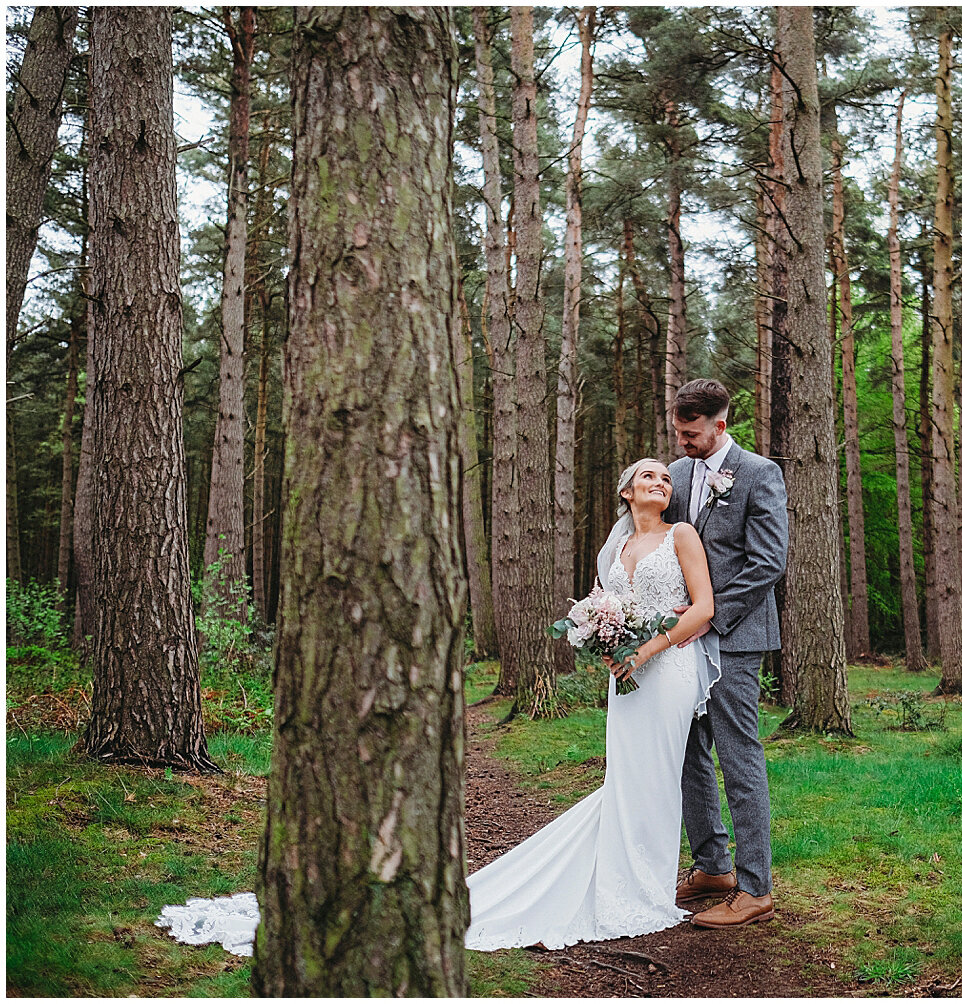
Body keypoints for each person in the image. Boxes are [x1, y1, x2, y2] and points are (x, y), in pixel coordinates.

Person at [157, 458, 721, 954]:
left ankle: (644, 888)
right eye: (649, 475)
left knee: (656, 774)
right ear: (626, 491)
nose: (661, 482)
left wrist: (647, 646)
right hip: (624, 674)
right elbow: (607, 607)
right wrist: (604, 640)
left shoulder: (682, 536)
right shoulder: (614, 548)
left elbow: (702, 609)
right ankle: (626, 880)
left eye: (667, 477)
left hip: (668, 668)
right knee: (626, 777)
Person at [663, 378, 788, 929]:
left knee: (737, 756)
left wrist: (708, 616)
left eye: (692, 434)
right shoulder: (679, 472)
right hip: (681, 638)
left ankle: (755, 887)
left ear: (720, 424)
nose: (684, 443)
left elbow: (767, 562)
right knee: (688, 752)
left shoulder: (760, 474)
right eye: (678, 433)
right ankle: (712, 866)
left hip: (735, 638)